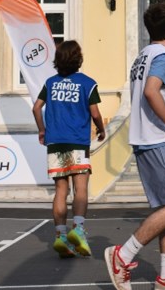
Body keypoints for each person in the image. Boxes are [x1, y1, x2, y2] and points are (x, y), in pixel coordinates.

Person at [104, 2, 165, 290]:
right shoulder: (164, 56)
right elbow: (151, 91)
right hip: (160, 139)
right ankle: (123, 256)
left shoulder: (142, 56)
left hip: (147, 139)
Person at [32, 40, 106, 258]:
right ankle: (79, 231)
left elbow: (36, 108)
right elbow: (94, 113)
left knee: (60, 191)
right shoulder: (87, 83)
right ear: (78, 58)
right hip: (77, 141)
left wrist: (42, 130)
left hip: (55, 142)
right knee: (80, 187)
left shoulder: (50, 83)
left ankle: (60, 236)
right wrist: (101, 129)